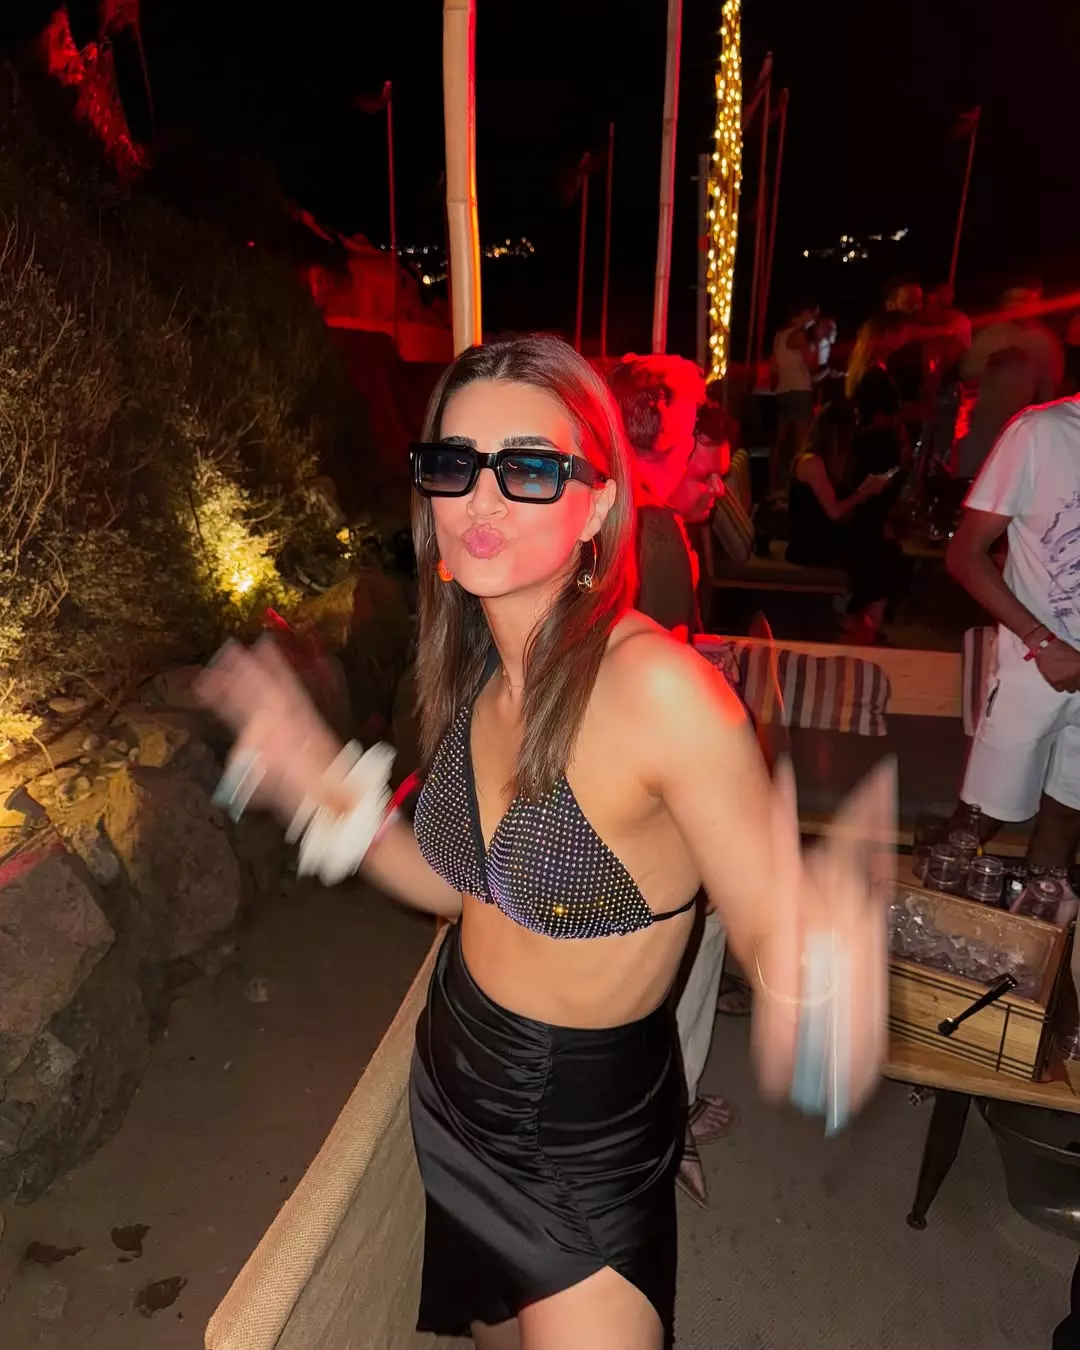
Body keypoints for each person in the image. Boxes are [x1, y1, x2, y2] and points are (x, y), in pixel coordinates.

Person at [198, 334, 891, 1350]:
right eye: (454, 464)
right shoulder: (476, 666)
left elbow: (770, 929)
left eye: (527, 468)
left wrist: (819, 974)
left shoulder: (660, 692)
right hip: (455, 1083)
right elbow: (460, 892)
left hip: (583, 1135)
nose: (481, 497)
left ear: (598, 505)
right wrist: (318, 787)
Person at [606, 354, 735, 1206]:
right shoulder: (647, 530)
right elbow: (664, 681)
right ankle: (661, 1124)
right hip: (637, 778)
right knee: (683, 936)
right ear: (652, 429)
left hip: (590, 768)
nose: (696, 443)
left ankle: (649, 1119)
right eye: (689, 424)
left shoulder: (592, 515)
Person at [947, 393, 1080, 867]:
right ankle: (930, 910)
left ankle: (1038, 911)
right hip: (1035, 667)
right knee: (977, 823)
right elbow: (965, 554)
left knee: (1067, 821)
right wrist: (1041, 641)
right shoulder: (1041, 432)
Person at [787, 403, 907, 643]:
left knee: (887, 548)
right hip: (809, 546)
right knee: (881, 552)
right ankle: (857, 616)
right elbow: (834, 512)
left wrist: (865, 493)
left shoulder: (824, 463)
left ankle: (865, 617)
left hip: (823, 537)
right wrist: (864, 493)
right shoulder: (811, 462)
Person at [955, 281, 1065, 482]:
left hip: (1022, 425)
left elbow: (1049, 388)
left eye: (1025, 301)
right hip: (985, 422)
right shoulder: (990, 334)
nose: (1019, 306)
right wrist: (997, 359)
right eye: (1014, 300)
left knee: (1012, 479)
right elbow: (967, 371)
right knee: (972, 477)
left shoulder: (1044, 340)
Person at [770, 299, 819, 493]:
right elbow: (812, 364)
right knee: (801, 442)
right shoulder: (799, 335)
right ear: (802, 313)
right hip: (800, 390)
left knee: (780, 440)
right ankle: (798, 485)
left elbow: (774, 367)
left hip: (783, 390)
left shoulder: (779, 335)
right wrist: (816, 344)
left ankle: (773, 484)